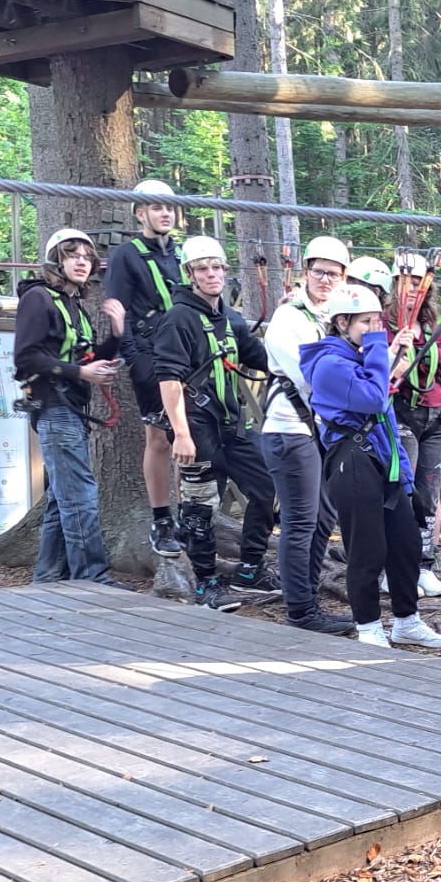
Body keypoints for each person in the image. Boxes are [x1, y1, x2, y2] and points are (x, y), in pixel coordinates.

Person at [300, 286, 441, 650]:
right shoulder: (330, 364)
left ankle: (406, 620)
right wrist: (379, 351)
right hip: (351, 458)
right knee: (366, 546)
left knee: (406, 541)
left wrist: (407, 478)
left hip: (382, 455)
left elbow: (384, 413)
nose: (374, 329)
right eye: (365, 323)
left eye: (377, 322)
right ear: (342, 323)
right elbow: (372, 399)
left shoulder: (359, 357)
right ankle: (368, 626)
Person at [151, 234, 281, 610]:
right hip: (197, 428)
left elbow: (263, 359)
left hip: (232, 427)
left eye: (216, 267)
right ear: (190, 274)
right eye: (202, 268)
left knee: (267, 486)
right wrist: (181, 434)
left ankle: (250, 568)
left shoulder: (230, 319)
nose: (211, 274)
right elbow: (169, 379)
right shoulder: (178, 319)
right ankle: (205, 583)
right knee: (199, 507)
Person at [13, 227, 125, 587]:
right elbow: (26, 356)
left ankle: (48, 577)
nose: (82, 262)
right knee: (79, 496)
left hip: (70, 409)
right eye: (72, 255)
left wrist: (116, 336)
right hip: (55, 407)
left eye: (87, 257)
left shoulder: (74, 307)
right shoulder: (39, 299)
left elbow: (86, 358)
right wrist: (81, 373)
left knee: (61, 499)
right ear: (55, 261)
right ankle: (91, 577)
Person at [259, 234, 355, 636]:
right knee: (301, 521)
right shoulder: (290, 318)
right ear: (306, 272)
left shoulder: (332, 318)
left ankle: (307, 595)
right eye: (319, 272)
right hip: (291, 429)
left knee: (322, 516)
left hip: (315, 431)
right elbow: (312, 379)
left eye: (334, 273)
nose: (325, 279)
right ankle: (300, 610)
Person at [104, 178, 187, 556]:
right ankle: (162, 519)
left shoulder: (182, 255)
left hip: (188, 354)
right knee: (159, 437)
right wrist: (135, 359)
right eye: (156, 207)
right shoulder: (127, 255)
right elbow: (118, 310)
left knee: (189, 434)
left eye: (169, 207)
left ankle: (190, 514)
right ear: (140, 213)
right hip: (151, 353)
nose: (165, 213)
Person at [389, 250, 441, 600]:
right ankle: (396, 566)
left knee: (429, 494)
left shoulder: (431, 327)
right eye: (407, 282)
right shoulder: (382, 326)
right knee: (403, 492)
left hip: (435, 419)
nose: (413, 289)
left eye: (419, 283)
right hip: (401, 415)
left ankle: (425, 564)